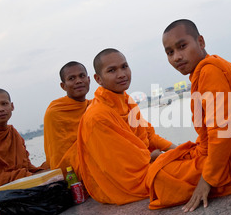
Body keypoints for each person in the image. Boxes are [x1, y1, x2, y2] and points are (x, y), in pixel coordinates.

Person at [145, 19, 231, 212]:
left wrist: (207, 179)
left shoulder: (210, 71)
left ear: (201, 42)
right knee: (164, 162)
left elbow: (222, 132)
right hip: (229, 156)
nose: (177, 57)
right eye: (170, 52)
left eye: (182, 46)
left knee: (159, 175)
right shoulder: (204, 72)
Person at [76, 48, 177, 205]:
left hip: (146, 164)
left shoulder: (126, 100)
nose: (122, 74)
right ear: (98, 78)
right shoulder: (97, 116)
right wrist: (157, 157)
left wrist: (177, 150)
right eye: (112, 70)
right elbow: (124, 167)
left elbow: (149, 136)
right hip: (124, 185)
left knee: (191, 159)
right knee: (190, 174)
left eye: (124, 66)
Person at [43, 61, 91, 175]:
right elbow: (59, 157)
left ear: (88, 80)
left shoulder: (94, 106)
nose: (78, 81)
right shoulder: (55, 112)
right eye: (71, 78)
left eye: (82, 76)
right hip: (72, 173)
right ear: (63, 86)